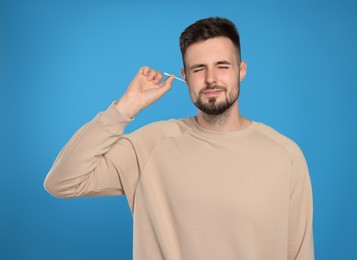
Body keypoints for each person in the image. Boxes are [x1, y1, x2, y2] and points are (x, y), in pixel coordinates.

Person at [44, 17, 314, 260]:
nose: (210, 79)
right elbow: (62, 182)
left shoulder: (285, 155)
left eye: (222, 66)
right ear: (185, 77)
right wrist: (124, 109)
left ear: (241, 70)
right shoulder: (149, 145)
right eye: (198, 69)